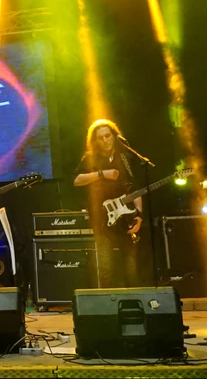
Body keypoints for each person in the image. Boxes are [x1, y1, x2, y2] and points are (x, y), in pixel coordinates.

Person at [73, 119, 143, 288]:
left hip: (126, 218)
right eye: (100, 137)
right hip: (102, 219)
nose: (105, 140)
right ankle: (107, 301)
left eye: (108, 136)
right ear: (95, 141)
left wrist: (139, 215)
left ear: (114, 136)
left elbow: (135, 189)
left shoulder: (125, 158)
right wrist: (102, 174)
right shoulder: (90, 159)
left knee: (131, 267)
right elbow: (76, 180)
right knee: (105, 267)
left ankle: (133, 300)